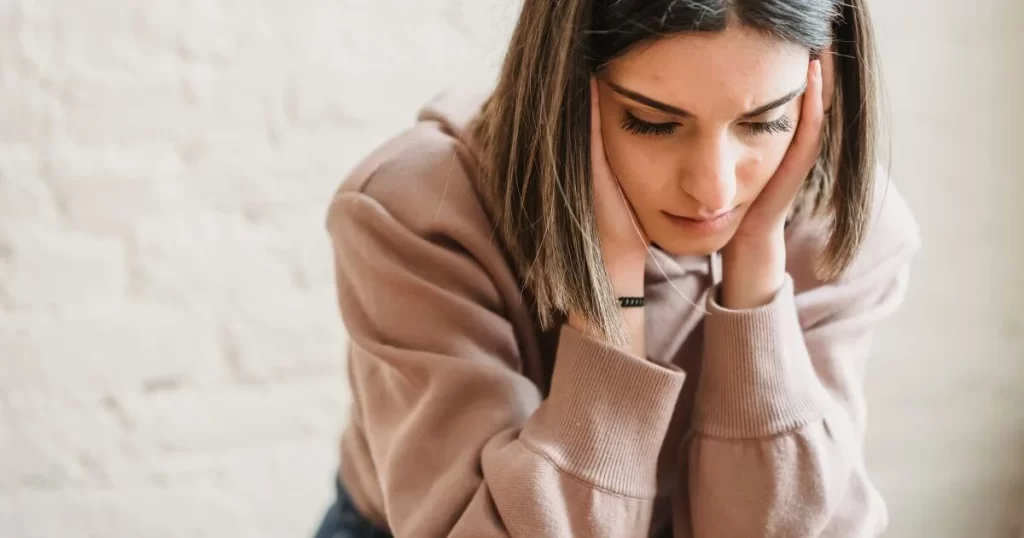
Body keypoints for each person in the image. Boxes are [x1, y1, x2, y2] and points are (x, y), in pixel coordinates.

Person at [314, 0, 921, 536]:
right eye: (653, 123)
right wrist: (609, 291)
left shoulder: (846, 225)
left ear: (822, 84)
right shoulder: (417, 215)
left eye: (763, 121)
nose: (714, 190)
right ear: (561, 85)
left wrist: (757, 269)